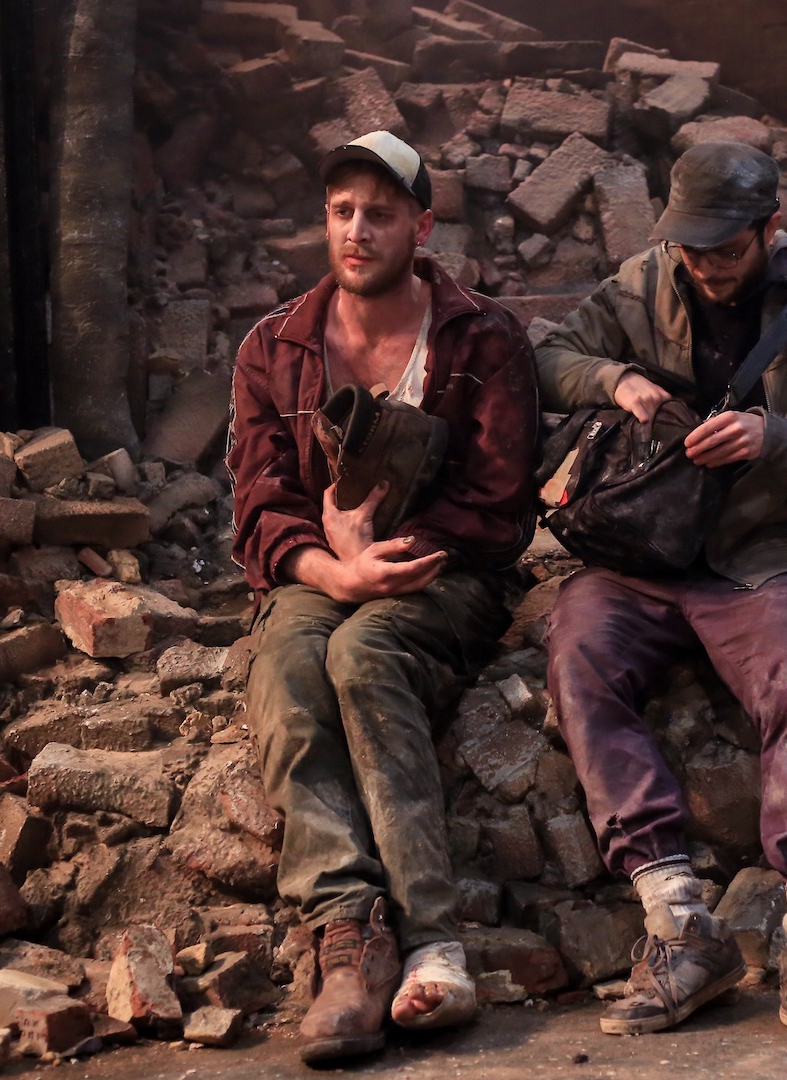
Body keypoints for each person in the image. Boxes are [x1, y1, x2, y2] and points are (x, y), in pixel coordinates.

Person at [534, 140, 787, 1059]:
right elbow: (548, 356)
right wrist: (617, 379)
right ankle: (681, 926)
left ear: (772, 228)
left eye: (724, 249)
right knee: (577, 657)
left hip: (759, 555)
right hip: (639, 554)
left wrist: (775, 439)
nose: (704, 266)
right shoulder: (644, 280)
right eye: (690, 248)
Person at [227, 130, 539, 1064]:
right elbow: (259, 510)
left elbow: (501, 504)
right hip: (325, 571)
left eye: (380, 213)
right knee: (287, 662)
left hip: (448, 573)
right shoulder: (273, 347)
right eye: (341, 212)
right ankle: (348, 936)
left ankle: (434, 940)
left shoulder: (483, 336)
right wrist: (336, 572)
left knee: (364, 656)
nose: (357, 231)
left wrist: (393, 557)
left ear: (422, 225)